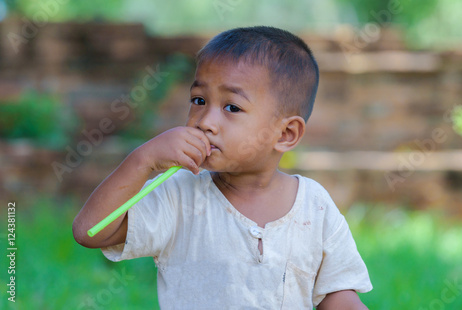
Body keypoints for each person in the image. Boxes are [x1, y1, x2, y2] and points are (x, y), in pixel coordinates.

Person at [73, 26, 372, 309]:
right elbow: (89, 232)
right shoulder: (179, 197)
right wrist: (143, 159)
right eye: (199, 100)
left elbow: (339, 297)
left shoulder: (315, 207)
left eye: (232, 107)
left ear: (285, 134)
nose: (205, 121)